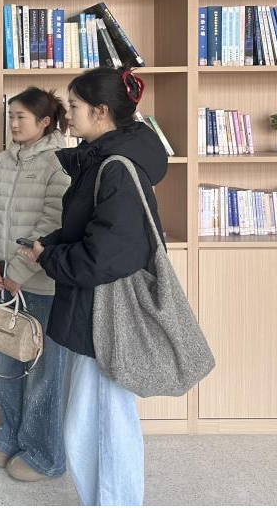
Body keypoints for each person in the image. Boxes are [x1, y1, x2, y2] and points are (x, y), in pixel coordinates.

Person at [19, 67, 166, 507]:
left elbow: (104, 257)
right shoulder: (102, 159)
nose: (68, 115)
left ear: (101, 112)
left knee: (103, 422)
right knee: (92, 420)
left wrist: (50, 258)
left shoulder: (116, 168)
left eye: (75, 106)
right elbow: (90, 232)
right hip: (94, 309)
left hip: (105, 314)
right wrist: (51, 246)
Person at [0, 86, 70, 483]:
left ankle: (45, 454)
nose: (13, 124)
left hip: (42, 284)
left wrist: (18, 271)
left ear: (45, 122)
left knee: (43, 374)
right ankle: (11, 436)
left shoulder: (60, 163)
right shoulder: (1, 161)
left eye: (21, 117)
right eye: (10, 116)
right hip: (2, 279)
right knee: (3, 364)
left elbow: (52, 223)